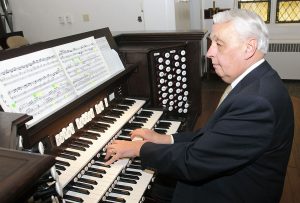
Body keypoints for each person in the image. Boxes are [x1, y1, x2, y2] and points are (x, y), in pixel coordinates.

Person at [104, 9, 294, 203]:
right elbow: (213, 136)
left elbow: (193, 161)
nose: (209, 53)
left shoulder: (256, 102)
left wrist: (139, 149)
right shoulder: (256, 82)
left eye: (218, 44)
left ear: (249, 47)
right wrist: (162, 138)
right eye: (211, 43)